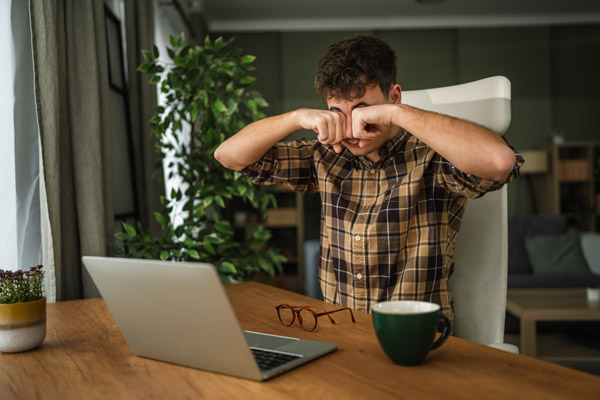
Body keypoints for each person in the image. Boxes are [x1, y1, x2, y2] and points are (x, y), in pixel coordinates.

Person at [214, 35, 523, 328]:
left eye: (363, 110)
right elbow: (229, 156)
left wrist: (395, 114)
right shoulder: (324, 155)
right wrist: (296, 118)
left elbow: (500, 162)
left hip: (415, 337)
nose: (351, 129)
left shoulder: (433, 157)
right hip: (340, 334)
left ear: (394, 96)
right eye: (338, 112)